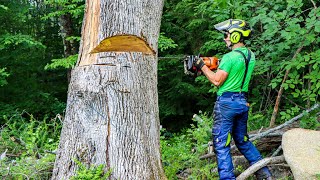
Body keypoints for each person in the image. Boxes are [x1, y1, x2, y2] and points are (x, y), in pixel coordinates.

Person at [193, 19, 273, 180]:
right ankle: (265, 175)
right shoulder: (250, 55)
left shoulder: (229, 57)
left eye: (227, 35)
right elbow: (234, 69)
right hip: (242, 102)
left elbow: (217, 81)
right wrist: (211, 65)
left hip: (227, 103)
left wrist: (202, 65)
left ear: (236, 36)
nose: (225, 38)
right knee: (242, 141)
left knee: (221, 144)